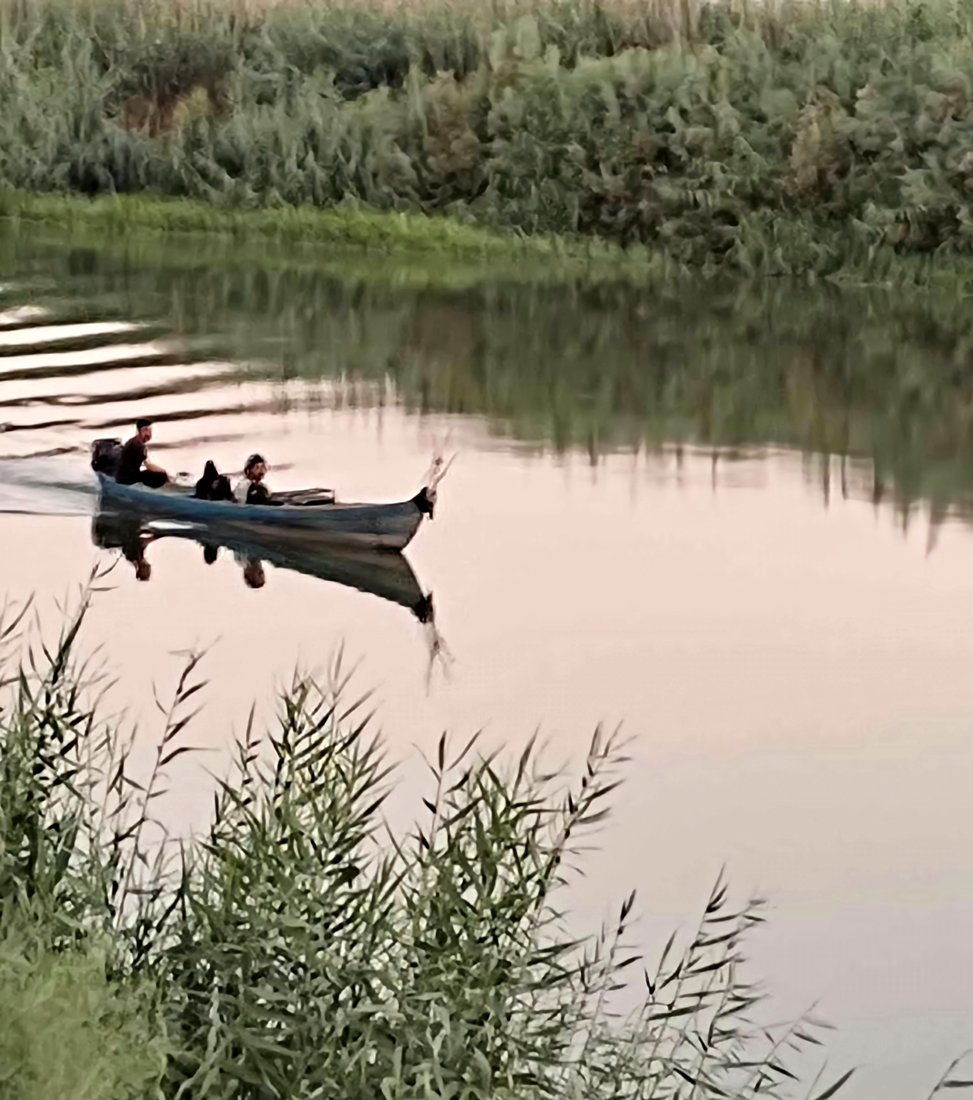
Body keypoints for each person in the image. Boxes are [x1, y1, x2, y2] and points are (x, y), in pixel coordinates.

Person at [115, 419, 168, 488]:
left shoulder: (133, 441)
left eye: (150, 430)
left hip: (124, 476)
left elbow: (146, 462)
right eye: (147, 430)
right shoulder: (138, 445)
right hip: (128, 479)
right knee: (161, 476)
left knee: (153, 473)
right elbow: (148, 465)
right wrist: (164, 472)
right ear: (141, 431)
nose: (149, 433)